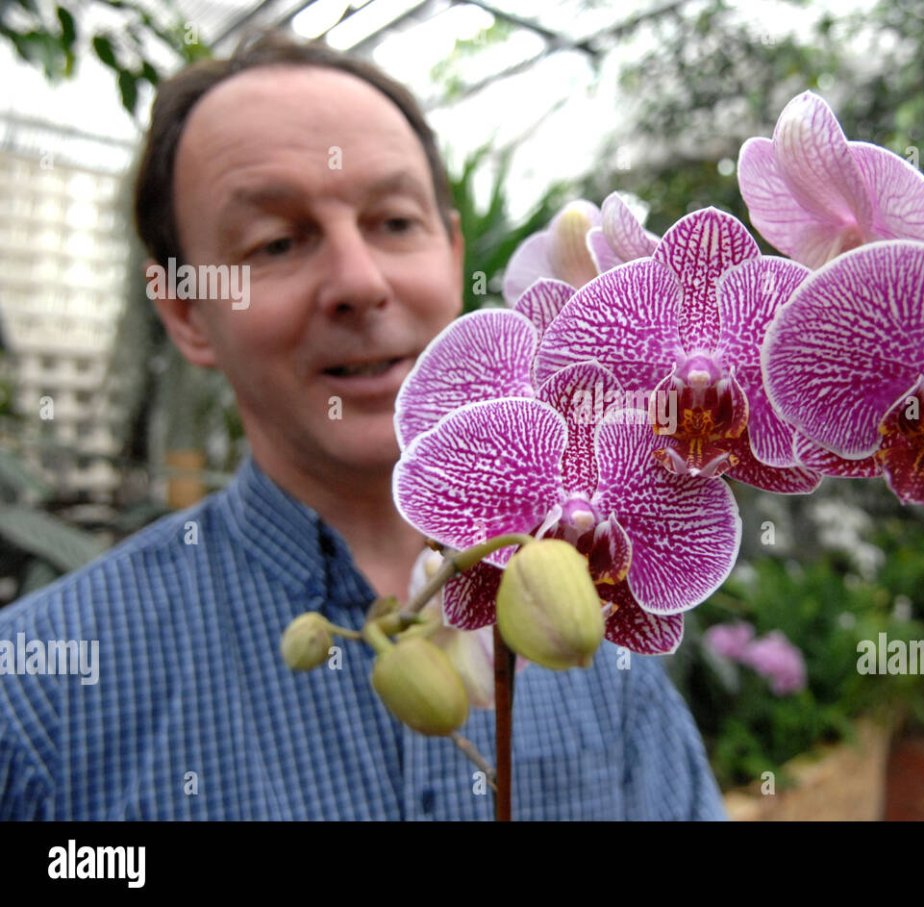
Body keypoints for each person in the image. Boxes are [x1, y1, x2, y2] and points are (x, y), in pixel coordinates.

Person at [0, 32, 725, 820]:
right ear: (184, 309)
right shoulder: (39, 695)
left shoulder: (596, 624)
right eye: (277, 241)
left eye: (393, 222)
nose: (358, 281)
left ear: (453, 255)